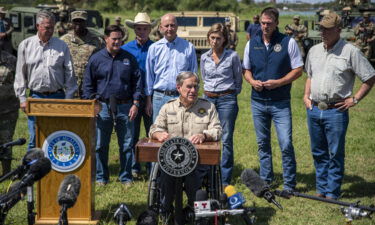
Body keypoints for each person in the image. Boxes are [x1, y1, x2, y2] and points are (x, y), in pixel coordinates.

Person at [304, 12, 375, 199]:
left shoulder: (350, 51)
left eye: (327, 29)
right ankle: (321, 188)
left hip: (336, 111)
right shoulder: (314, 50)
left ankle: (332, 191)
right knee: (318, 152)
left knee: (335, 153)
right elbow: (310, 76)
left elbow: (369, 77)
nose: (323, 32)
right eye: (321, 28)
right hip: (314, 109)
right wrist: (305, 96)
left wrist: (355, 99)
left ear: (339, 29)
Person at [243, 7, 303, 191]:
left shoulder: (288, 42)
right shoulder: (251, 43)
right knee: (263, 144)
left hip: (280, 102)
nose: (265, 26)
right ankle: (266, 180)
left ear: (277, 23)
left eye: (269, 23)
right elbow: (246, 70)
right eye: (262, 23)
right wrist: (252, 81)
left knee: (285, 143)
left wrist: (279, 82)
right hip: (258, 102)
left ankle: (289, 184)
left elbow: (298, 69)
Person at [149, 71, 222, 224]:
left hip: (198, 161)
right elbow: (154, 128)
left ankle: (193, 210)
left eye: (196, 87)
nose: (193, 91)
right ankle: (166, 210)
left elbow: (218, 130)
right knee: (166, 176)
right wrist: (158, 134)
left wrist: (205, 135)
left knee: (192, 176)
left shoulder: (208, 107)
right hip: (171, 161)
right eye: (189, 87)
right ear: (178, 88)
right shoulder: (168, 108)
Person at [82, 25, 142, 187]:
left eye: (120, 38)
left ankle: (126, 177)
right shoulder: (96, 59)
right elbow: (87, 84)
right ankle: (102, 177)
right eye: (114, 38)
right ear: (105, 39)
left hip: (125, 106)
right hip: (102, 107)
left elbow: (137, 82)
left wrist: (136, 103)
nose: (117, 42)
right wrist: (91, 103)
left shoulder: (129, 58)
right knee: (101, 144)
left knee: (127, 144)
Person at [14, 10, 77, 150]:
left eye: (52, 27)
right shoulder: (25, 45)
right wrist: (22, 98)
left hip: (58, 97)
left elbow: (70, 73)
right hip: (36, 97)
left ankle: (56, 170)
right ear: (38, 26)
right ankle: (31, 170)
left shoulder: (61, 46)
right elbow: (20, 74)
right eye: (47, 27)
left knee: (58, 136)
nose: (50, 31)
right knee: (35, 138)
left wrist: (68, 99)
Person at [200, 23, 242, 187]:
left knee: (226, 138)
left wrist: (230, 94)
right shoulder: (204, 57)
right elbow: (204, 77)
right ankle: (207, 174)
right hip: (208, 99)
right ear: (208, 38)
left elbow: (238, 79)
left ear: (224, 40)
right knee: (207, 136)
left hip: (227, 99)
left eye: (218, 38)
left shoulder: (232, 57)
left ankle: (224, 179)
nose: (215, 41)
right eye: (212, 38)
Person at [145, 13, 198, 121]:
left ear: (177, 26)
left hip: (181, 96)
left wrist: (192, 96)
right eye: (166, 25)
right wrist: (148, 100)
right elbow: (149, 76)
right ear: (160, 28)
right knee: (159, 133)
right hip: (159, 97)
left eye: (172, 25)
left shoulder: (188, 47)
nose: (170, 28)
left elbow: (193, 74)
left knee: (181, 132)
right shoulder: (154, 48)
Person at [122, 12, 155, 177]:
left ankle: (151, 167)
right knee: (132, 133)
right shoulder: (125, 49)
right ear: (134, 29)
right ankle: (134, 167)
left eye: (144, 28)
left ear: (149, 30)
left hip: (152, 97)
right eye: (138, 28)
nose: (141, 31)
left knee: (152, 132)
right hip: (131, 98)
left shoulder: (156, 47)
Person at [61, 10, 105, 97]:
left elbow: (104, 60)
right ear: (71, 23)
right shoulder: (64, 40)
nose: (78, 24)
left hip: (90, 87)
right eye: (75, 21)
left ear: (85, 22)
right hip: (68, 87)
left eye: (81, 21)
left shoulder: (97, 41)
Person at [0, 49, 18, 175]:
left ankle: (6, 173)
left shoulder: (11, 60)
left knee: (6, 141)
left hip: (8, 109)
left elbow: (21, 81)